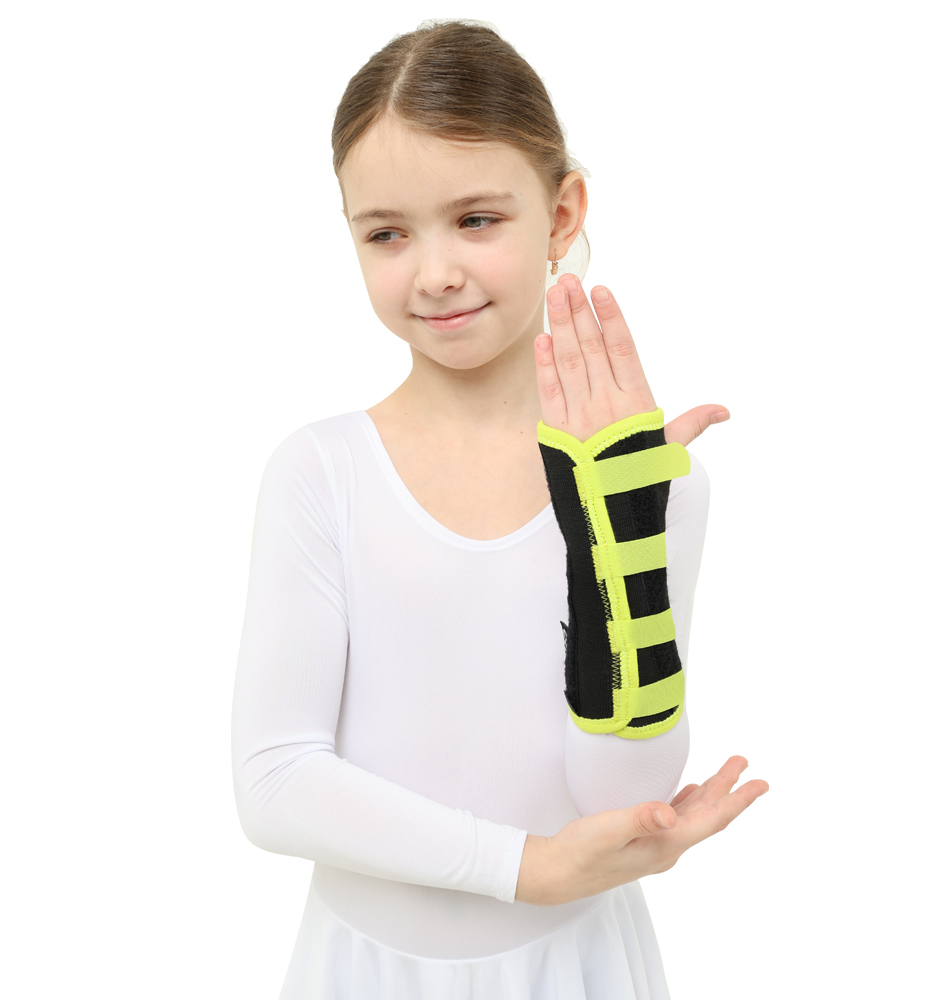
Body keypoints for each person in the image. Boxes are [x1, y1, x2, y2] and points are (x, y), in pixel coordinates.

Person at [231, 20, 768, 999]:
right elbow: (273, 782)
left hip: (577, 969)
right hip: (363, 970)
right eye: (387, 233)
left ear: (562, 215)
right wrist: (528, 867)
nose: (434, 270)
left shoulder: (654, 482)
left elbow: (621, 797)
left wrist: (614, 532)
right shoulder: (322, 472)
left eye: (476, 219)